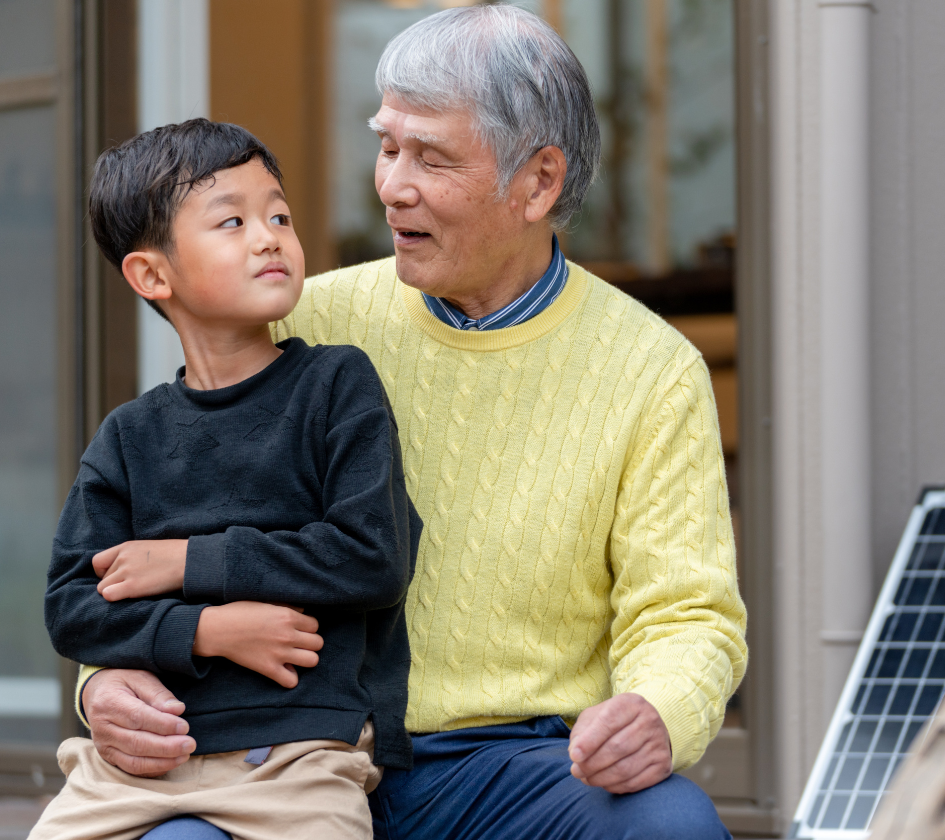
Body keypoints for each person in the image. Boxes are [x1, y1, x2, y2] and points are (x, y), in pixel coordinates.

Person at [77, 7, 747, 839]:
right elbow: (153, 528)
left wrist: (657, 710)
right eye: (387, 146)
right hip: (283, 751)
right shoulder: (298, 319)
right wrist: (105, 681)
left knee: (669, 824)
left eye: (431, 156)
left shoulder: (651, 369)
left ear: (539, 182)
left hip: (508, 766)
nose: (392, 185)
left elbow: (686, 614)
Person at [31, 119, 420, 840]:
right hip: (139, 765)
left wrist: (189, 562)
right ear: (153, 276)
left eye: (279, 216)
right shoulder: (129, 436)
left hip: (299, 757)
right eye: (232, 222)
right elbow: (73, 606)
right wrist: (206, 630)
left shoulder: (337, 385)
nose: (269, 237)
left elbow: (372, 556)